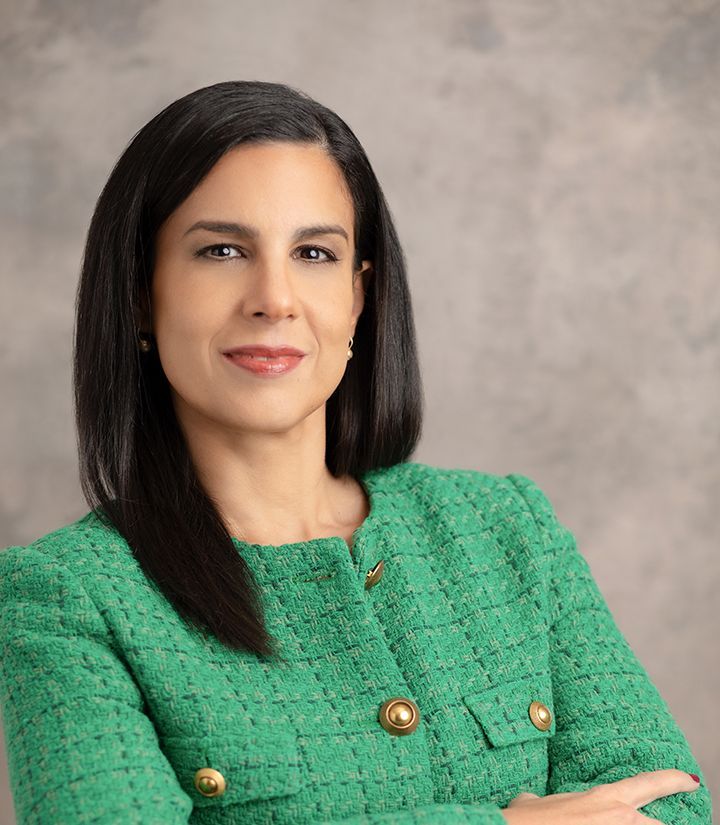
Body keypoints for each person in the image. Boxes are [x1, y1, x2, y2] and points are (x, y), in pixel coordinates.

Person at [0, 80, 711, 825]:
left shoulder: (507, 530)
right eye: (221, 250)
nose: (274, 297)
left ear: (358, 298)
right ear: (142, 295)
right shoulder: (68, 597)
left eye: (313, 252)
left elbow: (674, 807)